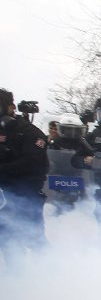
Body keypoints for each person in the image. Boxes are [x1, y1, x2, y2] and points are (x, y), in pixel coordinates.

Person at [0, 88, 49, 264]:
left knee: (34, 240)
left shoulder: (30, 132)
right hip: (3, 198)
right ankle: (18, 278)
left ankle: (56, 275)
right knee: (7, 241)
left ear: (11, 107)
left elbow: (31, 163)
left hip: (26, 196)